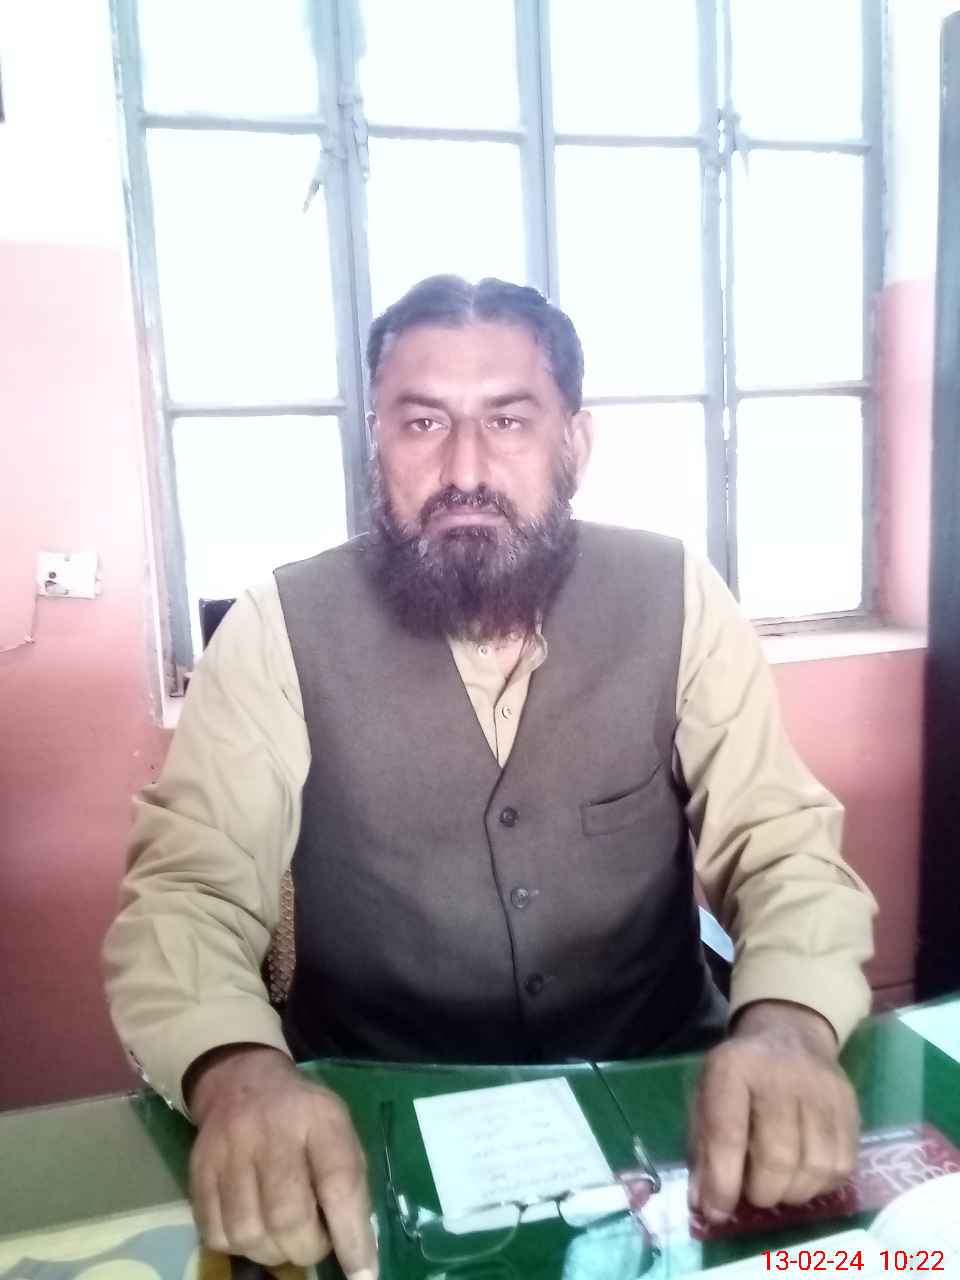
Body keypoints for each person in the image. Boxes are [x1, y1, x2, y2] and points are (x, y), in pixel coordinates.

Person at [103, 276, 876, 1278]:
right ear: (376, 442)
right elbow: (189, 892)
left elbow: (781, 844)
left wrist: (788, 1026)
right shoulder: (275, 630)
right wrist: (237, 1073)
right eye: (422, 421)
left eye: (508, 419)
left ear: (574, 442)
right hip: (371, 1129)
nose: (464, 467)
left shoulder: (678, 595)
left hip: (662, 1109)